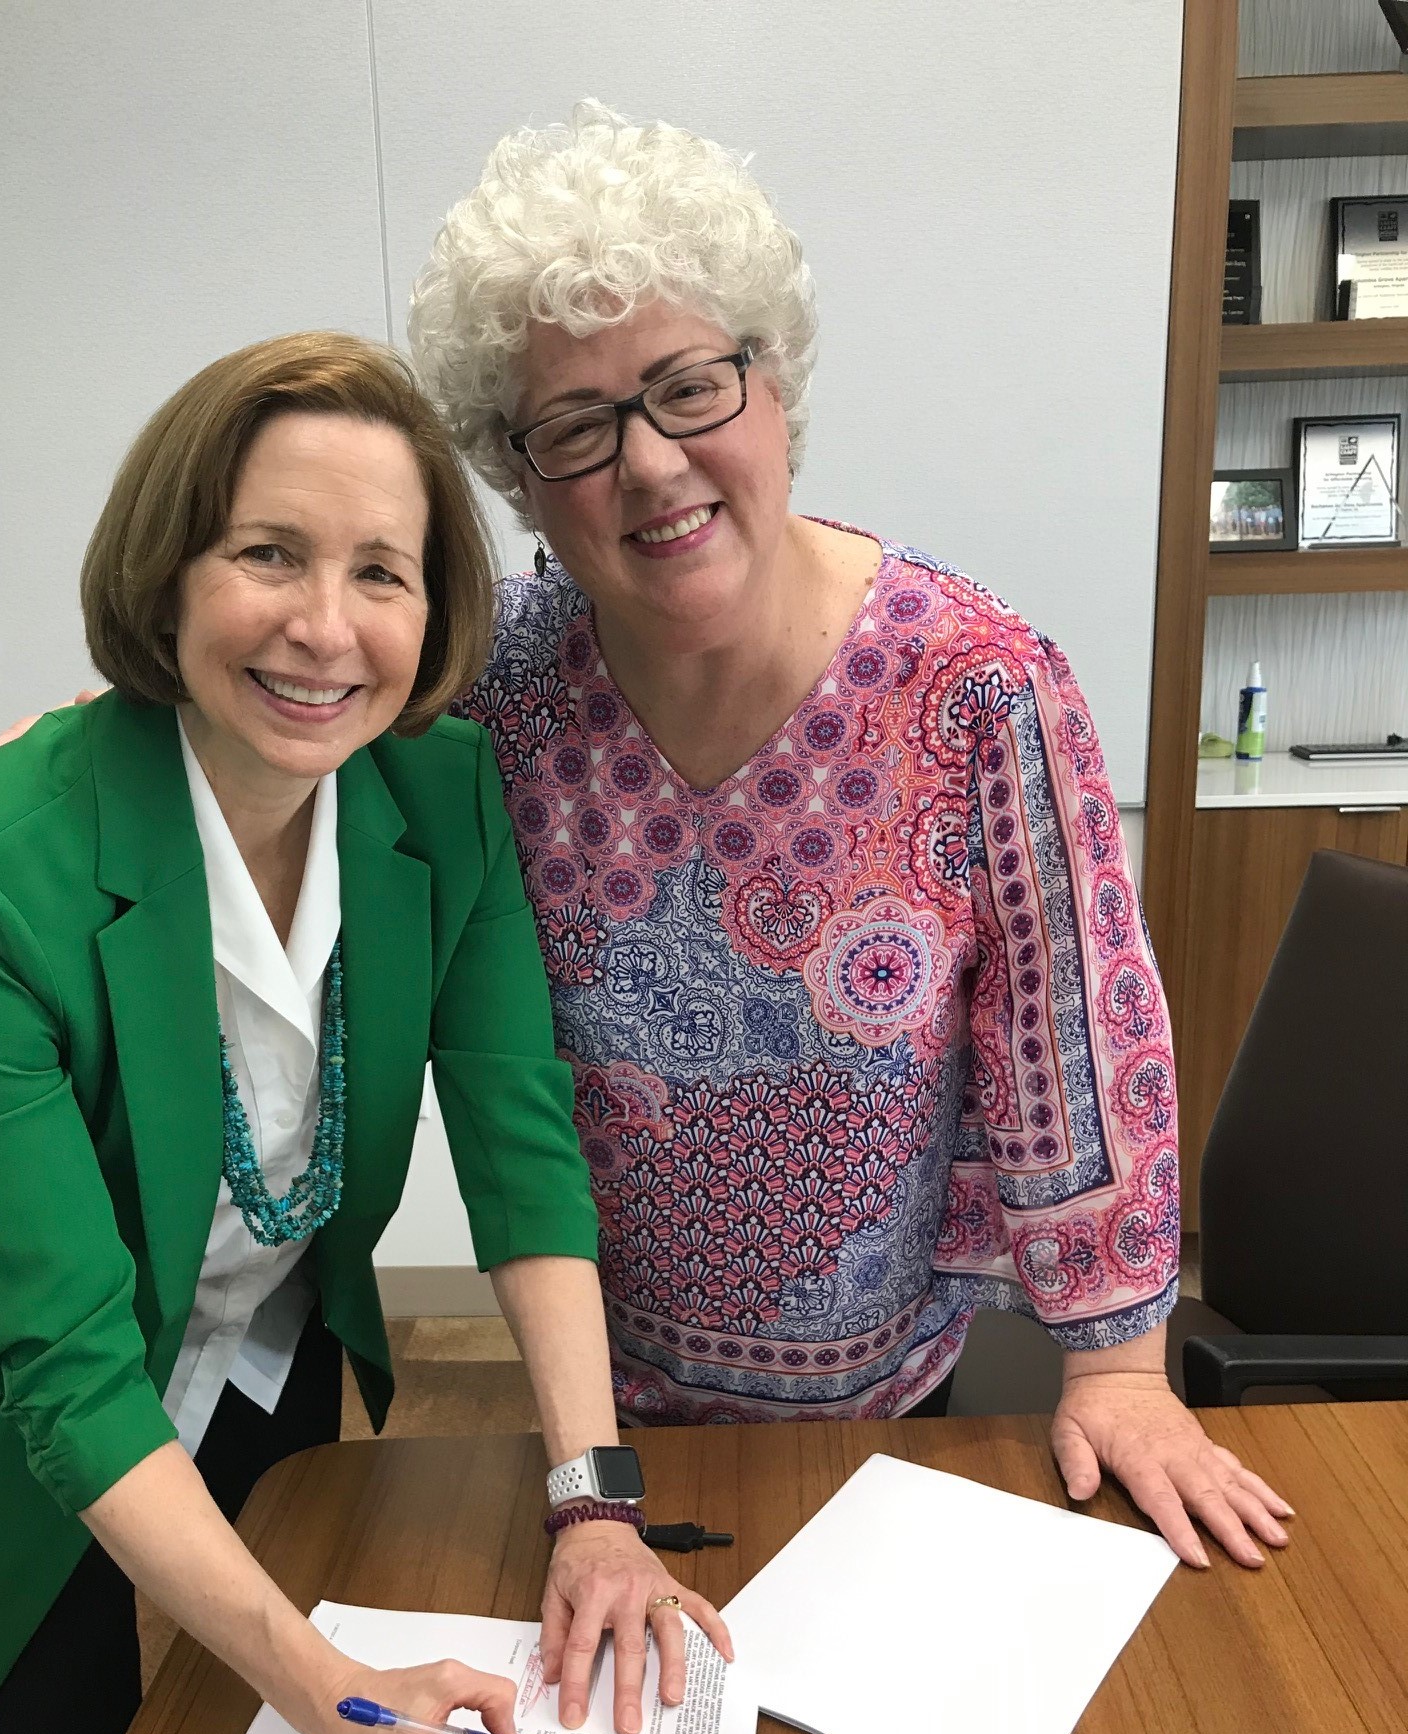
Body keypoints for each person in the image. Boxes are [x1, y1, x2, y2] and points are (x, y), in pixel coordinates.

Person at [0, 332, 727, 1734]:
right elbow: (64, 1368)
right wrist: (351, 1706)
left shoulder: (444, 791)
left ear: (435, 615)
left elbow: (519, 1140)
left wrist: (594, 1503)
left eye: (381, 572)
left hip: (268, 1340)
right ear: (169, 567)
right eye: (267, 553)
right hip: (18, 1403)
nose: (325, 626)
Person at [403, 103, 1294, 1571]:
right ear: (520, 476)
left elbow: (1076, 1040)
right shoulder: (493, 687)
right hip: (601, 1403)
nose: (649, 463)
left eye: (690, 386)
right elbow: (295, 697)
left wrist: (1120, 1368)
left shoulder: (976, 686)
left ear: (773, 385)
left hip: (899, 1399)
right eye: (576, 425)